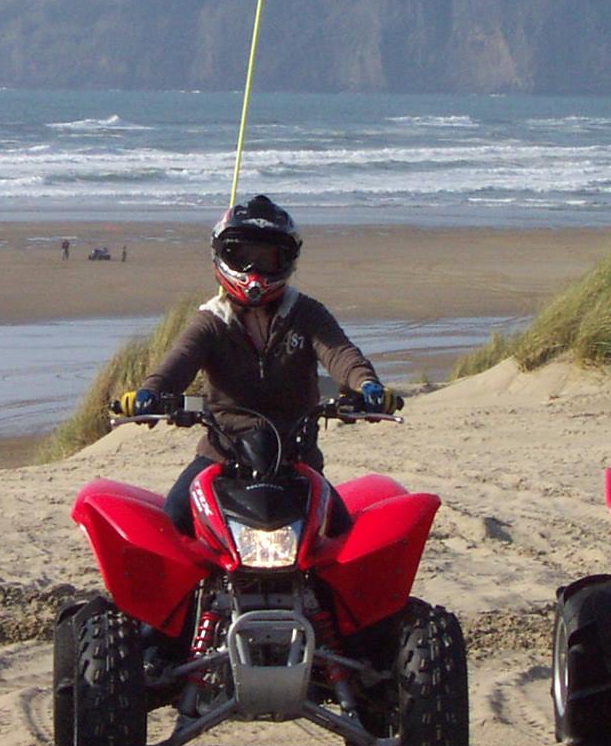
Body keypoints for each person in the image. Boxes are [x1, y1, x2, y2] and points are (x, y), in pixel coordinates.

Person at [114, 194, 400, 536]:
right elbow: (179, 361)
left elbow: (341, 354)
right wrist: (150, 392)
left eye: (267, 258)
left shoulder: (306, 313)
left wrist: (367, 386)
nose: (253, 271)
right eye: (243, 256)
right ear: (223, 255)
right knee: (173, 522)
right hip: (222, 455)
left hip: (296, 458)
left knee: (340, 537)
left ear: (287, 261)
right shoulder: (212, 320)